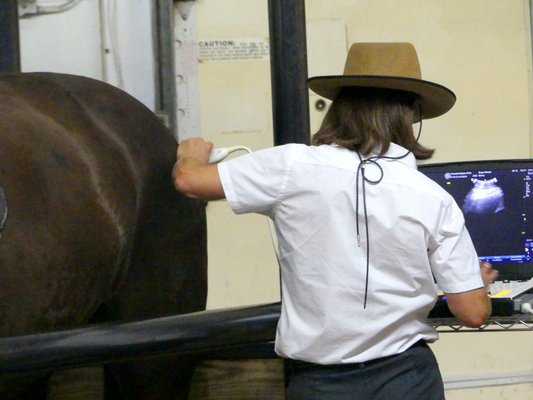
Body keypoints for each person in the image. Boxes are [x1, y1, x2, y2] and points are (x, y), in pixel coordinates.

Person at [172, 42, 499, 400]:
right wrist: (473, 285)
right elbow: (471, 313)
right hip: (407, 380)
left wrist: (190, 155)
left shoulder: (291, 167)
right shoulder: (433, 198)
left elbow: (190, 181)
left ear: (339, 107)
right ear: (412, 115)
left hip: (320, 385)